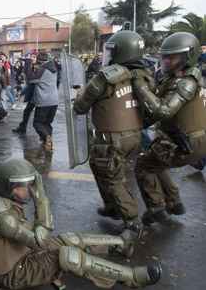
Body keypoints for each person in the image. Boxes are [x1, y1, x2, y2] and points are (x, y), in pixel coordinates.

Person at [0, 159, 161, 290]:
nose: (30, 191)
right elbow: (40, 239)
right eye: (25, 187)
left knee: (70, 239)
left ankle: (120, 244)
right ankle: (132, 277)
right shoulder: (3, 217)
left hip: (23, 254)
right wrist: (41, 198)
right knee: (68, 256)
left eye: (32, 184)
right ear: (10, 187)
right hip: (15, 273)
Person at [74, 31, 151, 234]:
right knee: (101, 167)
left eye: (111, 50)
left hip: (112, 138)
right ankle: (112, 207)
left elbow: (81, 106)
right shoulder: (142, 74)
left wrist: (79, 95)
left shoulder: (106, 77)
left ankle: (132, 220)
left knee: (112, 177)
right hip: (134, 136)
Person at [132, 32, 205, 225]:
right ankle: (174, 202)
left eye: (172, 57)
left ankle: (156, 207)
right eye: (165, 56)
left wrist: (141, 87)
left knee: (143, 166)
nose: (166, 61)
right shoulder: (177, 78)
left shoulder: (187, 82)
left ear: (187, 57)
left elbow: (163, 111)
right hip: (186, 139)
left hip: (187, 142)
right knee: (157, 162)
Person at [30, 53, 59, 152]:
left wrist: (28, 65)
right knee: (47, 123)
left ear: (40, 61)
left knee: (37, 123)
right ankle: (48, 142)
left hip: (44, 101)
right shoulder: (54, 69)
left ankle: (46, 137)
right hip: (54, 100)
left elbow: (31, 79)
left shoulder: (42, 70)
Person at [12, 53, 38, 135]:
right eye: (31, 57)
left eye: (34, 57)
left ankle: (44, 135)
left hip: (38, 94)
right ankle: (22, 127)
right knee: (27, 111)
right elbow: (29, 82)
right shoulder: (31, 67)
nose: (32, 58)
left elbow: (31, 82)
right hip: (34, 94)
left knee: (36, 115)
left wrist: (22, 93)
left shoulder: (38, 68)